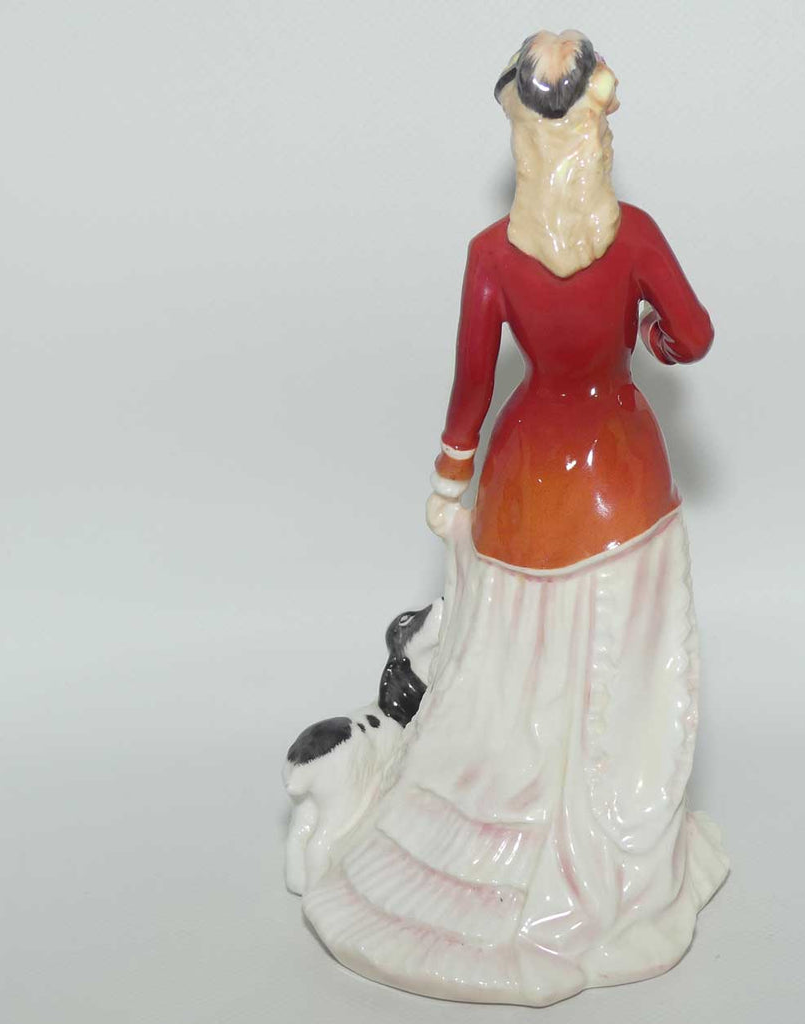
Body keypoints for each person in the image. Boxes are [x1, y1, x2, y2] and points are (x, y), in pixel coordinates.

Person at [302, 30, 729, 1006]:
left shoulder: (491, 254)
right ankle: (612, 843)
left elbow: (470, 388)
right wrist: (651, 338)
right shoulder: (636, 236)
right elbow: (696, 335)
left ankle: (507, 828)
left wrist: (449, 480)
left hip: (527, 479)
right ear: (594, 136)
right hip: (622, 476)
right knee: (613, 667)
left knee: (518, 671)